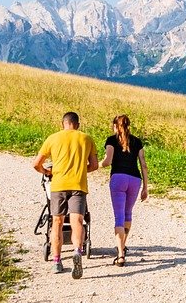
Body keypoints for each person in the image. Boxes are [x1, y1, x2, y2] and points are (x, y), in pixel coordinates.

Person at [31, 111, 98, 279]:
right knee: (77, 221)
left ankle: (57, 261)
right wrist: (82, 169)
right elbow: (95, 165)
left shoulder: (53, 138)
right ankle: (77, 250)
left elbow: (36, 164)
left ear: (63, 124)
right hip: (78, 185)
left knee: (57, 222)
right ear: (78, 124)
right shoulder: (86, 138)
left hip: (58, 185)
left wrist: (47, 171)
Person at [98, 114, 147, 267]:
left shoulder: (111, 140)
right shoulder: (137, 141)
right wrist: (145, 187)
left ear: (115, 126)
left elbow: (108, 161)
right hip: (135, 179)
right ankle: (123, 245)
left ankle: (120, 255)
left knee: (119, 217)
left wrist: (96, 164)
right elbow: (143, 165)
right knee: (128, 214)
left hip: (118, 178)